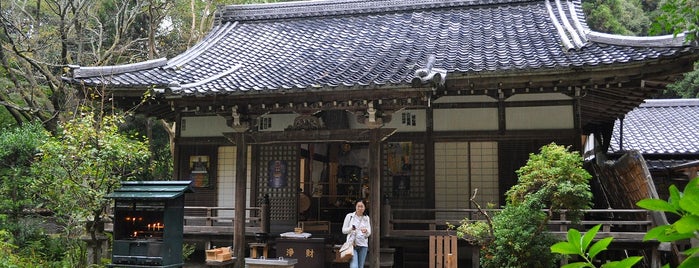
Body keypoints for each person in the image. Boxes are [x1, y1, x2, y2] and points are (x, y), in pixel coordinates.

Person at [342, 199, 371, 268]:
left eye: (362, 206)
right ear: (355, 206)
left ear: (364, 208)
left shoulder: (366, 218)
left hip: (363, 245)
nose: (360, 208)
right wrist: (351, 228)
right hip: (352, 245)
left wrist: (366, 231)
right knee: (354, 266)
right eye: (358, 206)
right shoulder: (349, 216)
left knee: (360, 266)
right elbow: (343, 230)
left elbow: (369, 233)